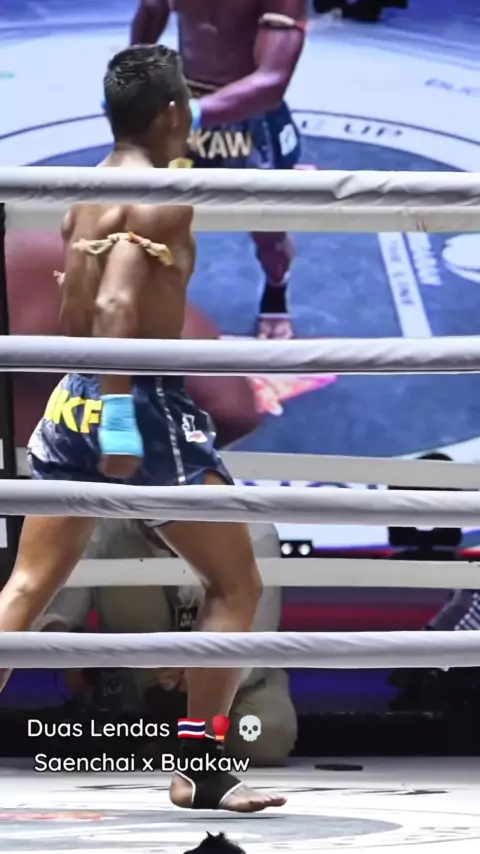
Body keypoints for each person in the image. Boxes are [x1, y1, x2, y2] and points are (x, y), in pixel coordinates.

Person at [0, 44, 285, 813]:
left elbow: (74, 314)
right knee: (236, 582)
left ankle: (202, 767)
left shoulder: (86, 192)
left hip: (74, 398)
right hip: (139, 403)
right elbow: (116, 305)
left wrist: (99, 398)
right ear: (172, 113)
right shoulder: (159, 194)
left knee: (26, 587)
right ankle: (201, 767)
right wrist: (123, 419)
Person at [39, 519, 297, 766]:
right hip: (140, 679)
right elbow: (60, 613)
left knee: (266, 738)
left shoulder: (254, 533)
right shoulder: (109, 520)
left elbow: (257, 640)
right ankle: (139, 714)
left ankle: (171, 736)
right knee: (120, 548)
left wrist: (201, 669)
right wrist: (76, 659)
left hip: (234, 678)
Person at [130, 0, 307, 340]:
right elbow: (153, 9)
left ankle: (276, 290)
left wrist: (193, 114)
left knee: (268, 232)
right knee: (149, 213)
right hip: (184, 98)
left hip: (249, 113)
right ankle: (145, 294)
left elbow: (273, 80)